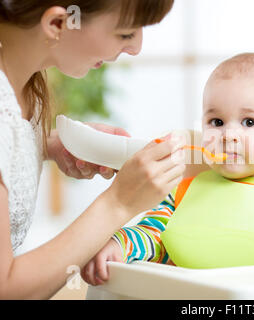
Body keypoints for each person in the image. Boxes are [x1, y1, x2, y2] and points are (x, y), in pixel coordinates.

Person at [0, 0, 212, 299]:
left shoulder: (23, 80)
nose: (136, 47)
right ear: (58, 24)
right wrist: (119, 203)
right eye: (125, 34)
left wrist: (46, 145)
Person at [82, 53, 254, 285]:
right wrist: (119, 244)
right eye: (217, 122)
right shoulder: (180, 194)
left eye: (249, 122)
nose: (228, 135)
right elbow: (151, 237)